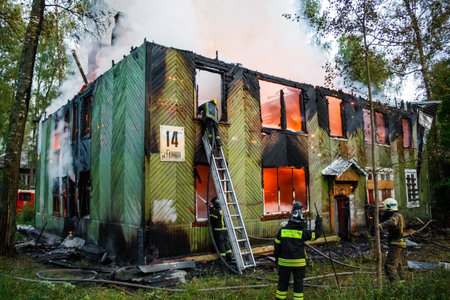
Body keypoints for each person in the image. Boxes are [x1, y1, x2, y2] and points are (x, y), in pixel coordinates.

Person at [274, 207, 322, 300]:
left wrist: (277, 259)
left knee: (282, 285)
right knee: (298, 285)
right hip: (299, 264)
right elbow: (317, 234)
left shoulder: (282, 231)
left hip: (284, 264)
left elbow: (277, 248)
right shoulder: (302, 232)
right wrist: (318, 221)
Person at [379, 198, 406, 283]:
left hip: (396, 243)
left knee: (389, 266)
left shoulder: (396, 216)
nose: (383, 210)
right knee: (397, 266)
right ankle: (402, 285)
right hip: (398, 243)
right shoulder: (398, 215)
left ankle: (395, 286)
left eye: (384, 208)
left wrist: (381, 225)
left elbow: (392, 222)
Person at [209, 197, 232, 262]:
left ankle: (223, 258)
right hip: (225, 230)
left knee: (221, 244)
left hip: (219, 231)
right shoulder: (225, 210)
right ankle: (229, 256)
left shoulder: (216, 212)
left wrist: (210, 209)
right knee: (226, 242)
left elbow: (211, 218)